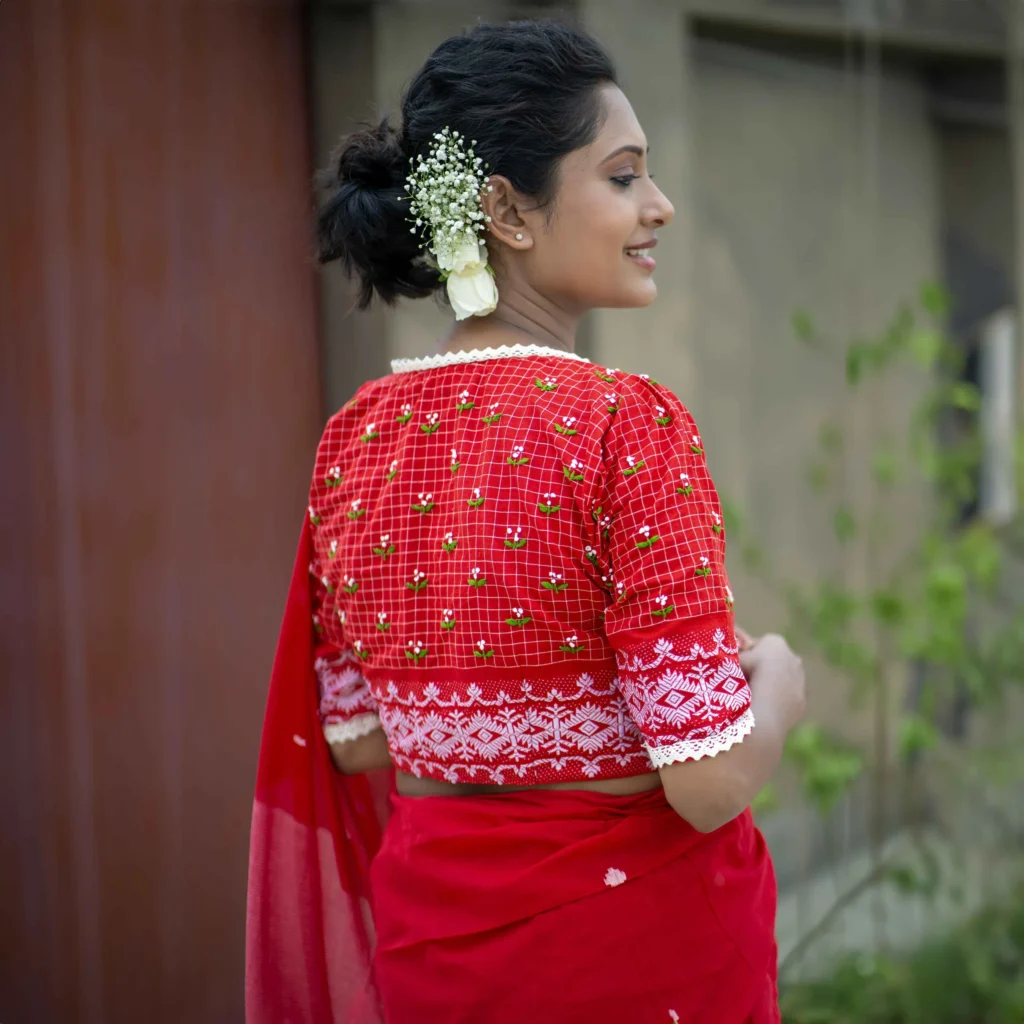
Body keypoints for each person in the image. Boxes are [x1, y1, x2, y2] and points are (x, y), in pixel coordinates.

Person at [246, 19, 806, 1024]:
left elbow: (359, 737)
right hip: (625, 963)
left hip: (436, 959)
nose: (659, 207)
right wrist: (778, 685)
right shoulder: (622, 423)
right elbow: (709, 780)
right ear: (504, 209)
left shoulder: (352, 440)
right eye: (624, 175)